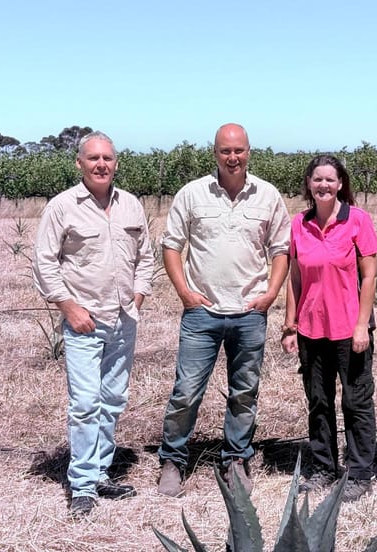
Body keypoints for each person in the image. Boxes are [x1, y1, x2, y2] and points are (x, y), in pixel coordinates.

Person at [156, 123, 291, 497]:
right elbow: (171, 245)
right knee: (186, 391)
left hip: (250, 312)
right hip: (202, 313)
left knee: (244, 391)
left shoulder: (267, 195)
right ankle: (173, 459)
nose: (233, 158)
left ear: (250, 151)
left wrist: (269, 295)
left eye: (239, 150)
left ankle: (235, 458)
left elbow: (281, 250)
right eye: (225, 151)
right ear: (214, 153)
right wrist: (184, 291)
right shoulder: (193, 194)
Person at [33, 131, 154, 517]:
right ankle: (82, 484)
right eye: (93, 159)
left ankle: (101, 472)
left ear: (116, 163)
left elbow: (145, 258)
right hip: (84, 321)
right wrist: (69, 307)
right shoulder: (62, 206)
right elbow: (45, 262)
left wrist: (137, 297)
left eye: (108, 158)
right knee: (85, 404)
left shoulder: (131, 205)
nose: (101, 165)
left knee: (113, 400)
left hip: (123, 319)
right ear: (79, 164)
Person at [281, 155, 377, 503]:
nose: (323, 185)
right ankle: (324, 467)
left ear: (340, 184)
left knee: (355, 402)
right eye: (317, 179)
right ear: (309, 183)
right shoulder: (299, 223)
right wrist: (290, 325)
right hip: (311, 329)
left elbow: (369, 276)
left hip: (349, 329)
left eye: (330, 179)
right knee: (319, 402)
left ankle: (358, 473)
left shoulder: (357, 220)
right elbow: (295, 276)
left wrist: (362, 325)